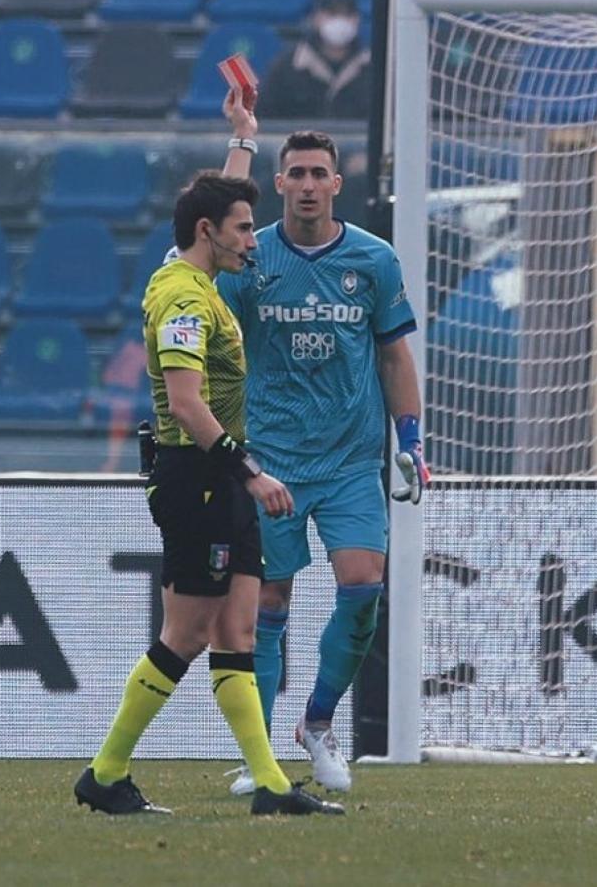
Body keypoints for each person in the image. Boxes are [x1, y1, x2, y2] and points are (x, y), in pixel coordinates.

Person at [74, 171, 344, 817]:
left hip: (220, 481)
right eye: (244, 228)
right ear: (207, 234)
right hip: (197, 479)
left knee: (237, 630)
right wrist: (249, 470)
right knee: (187, 635)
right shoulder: (184, 302)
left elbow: (214, 202)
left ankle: (270, 786)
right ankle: (105, 773)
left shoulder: (198, 279)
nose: (254, 238)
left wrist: (242, 139)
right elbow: (185, 403)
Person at [216, 96, 428, 795]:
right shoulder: (252, 258)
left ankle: (318, 724)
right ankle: (264, 758)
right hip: (271, 458)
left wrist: (410, 439)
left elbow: (395, 358)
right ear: (278, 184)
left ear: (338, 183)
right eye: (296, 173)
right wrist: (238, 141)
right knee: (267, 602)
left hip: (347, 459)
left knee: (362, 589)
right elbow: (204, 249)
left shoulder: (373, 259)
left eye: (319, 173)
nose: (307, 183)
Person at [256, 0, 370, 120]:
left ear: (357, 19)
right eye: (332, 13)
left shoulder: (375, 68)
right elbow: (263, 119)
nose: (340, 21)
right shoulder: (287, 67)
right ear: (316, 17)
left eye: (347, 14)